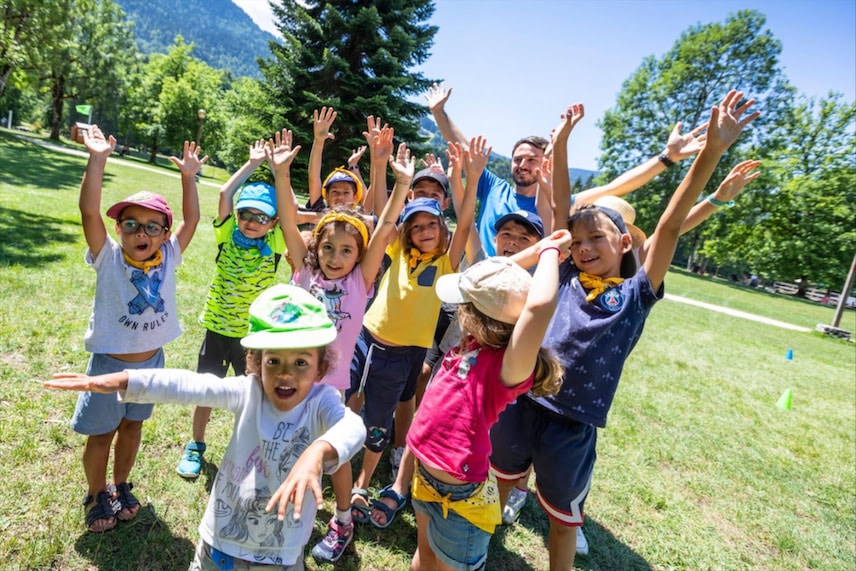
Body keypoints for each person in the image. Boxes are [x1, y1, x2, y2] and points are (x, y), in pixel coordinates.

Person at [490, 90, 760, 570]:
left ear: (623, 241)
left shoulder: (636, 292)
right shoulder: (567, 271)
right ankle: (494, 530)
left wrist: (713, 152)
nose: (586, 246)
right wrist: (563, 145)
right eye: (579, 240)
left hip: (573, 422)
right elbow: (560, 209)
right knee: (504, 474)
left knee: (561, 517)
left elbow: (672, 226)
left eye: (598, 237)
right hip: (522, 398)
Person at [46, 284, 366, 569]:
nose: (286, 374)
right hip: (219, 545)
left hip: (281, 554)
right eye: (274, 361)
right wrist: (122, 379)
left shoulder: (322, 401)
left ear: (322, 366)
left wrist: (319, 450)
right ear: (255, 363)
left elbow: (353, 427)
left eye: (301, 362)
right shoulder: (249, 391)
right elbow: (191, 385)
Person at [267, 125, 402, 563]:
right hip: (286, 377)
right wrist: (282, 176)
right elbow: (289, 222)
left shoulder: (361, 283)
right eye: (329, 247)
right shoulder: (304, 274)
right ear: (316, 248)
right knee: (285, 442)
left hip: (330, 387)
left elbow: (381, 231)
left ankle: (342, 519)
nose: (336, 256)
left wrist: (398, 181)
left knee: (335, 455)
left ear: (359, 256)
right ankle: (286, 501)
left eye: (347, 250)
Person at [72, 125, 203, 532]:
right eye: (130, 224)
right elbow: (90, 212)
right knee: (102, 433)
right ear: (118, 230)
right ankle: (96, 496)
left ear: (164, 234)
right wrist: (97, 160)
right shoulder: (107, 257)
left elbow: (193, 217)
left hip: (150, 364)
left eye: (151, 226)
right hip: (109, 364)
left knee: (132, 427)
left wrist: (188, 178)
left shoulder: (169, 255)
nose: (140, 233)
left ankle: (120, 483)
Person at [346, 137, 483, 525]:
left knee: (379, 420)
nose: (423, 230)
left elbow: (467, 222)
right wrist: (388, 171)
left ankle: (362, 482)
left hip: (404, 355)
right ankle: (333, 457)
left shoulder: (446, 264)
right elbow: (384, 217)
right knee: (343, 400)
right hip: (365, 340)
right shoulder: (395, 252)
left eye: (431, 225)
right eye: (416, 225)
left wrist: (469, 179)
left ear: (442, 227)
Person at [425, 83, 707, 256]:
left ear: (545, 164)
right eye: (517, 159)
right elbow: (464, 146)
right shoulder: (493, 187)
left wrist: (667, 158)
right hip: (477, 272)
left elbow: (616, 187)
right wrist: (439, 113)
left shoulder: (562, 204)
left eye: (532, 160)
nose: (522, 164)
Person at [176, 138, 287, 479]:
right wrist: (253, 163)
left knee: (253, 397)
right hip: (216, 329)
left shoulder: (275, 243)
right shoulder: (226, 236)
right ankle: (195, 445)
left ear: (273, 221)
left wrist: (277, 171)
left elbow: (290, 213)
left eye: (261, 216)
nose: (252, 221)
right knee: (205, 390)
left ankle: (248, 448)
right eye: (246, 214)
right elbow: (225, 194)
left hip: (253, 338)